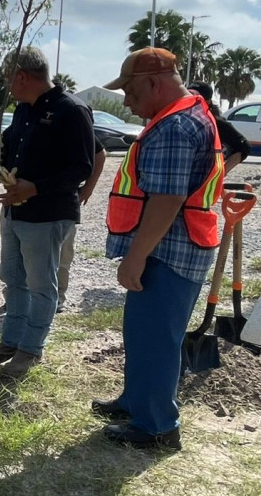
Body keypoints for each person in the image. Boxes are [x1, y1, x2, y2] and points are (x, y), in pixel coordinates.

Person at [93, 48, 224, 451]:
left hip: (168, 251)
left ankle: (157, 427)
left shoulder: (174, 127)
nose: (128, 103)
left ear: (154, 82)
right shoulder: (185, 116)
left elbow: (167, 200)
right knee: (142, 332)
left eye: (131, 92)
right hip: (173, 247)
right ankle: (137, 401)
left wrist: (135, 256)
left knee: (155, 339)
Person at [0, 47, 94, 377]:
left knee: (42, 284)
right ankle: (11, 341)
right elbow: (8, 153)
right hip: (15, 211)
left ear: (22, 76)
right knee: (13, 278)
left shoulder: (71, 110)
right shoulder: (22, 110)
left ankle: (30, 350)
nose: (7, 85)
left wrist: (35, 188)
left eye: (7, 78)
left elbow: (81, 166)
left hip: (49, 213)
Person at [56, 138, 107, 312]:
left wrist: (89, 188)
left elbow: (100, 154)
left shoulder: (72, 116)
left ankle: (57, 297)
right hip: (31, 199)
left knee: (63, 252)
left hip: (64, 200)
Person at [189, 82, 251, 172]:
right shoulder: (177, 120)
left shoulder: (216, 122)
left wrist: (223, 172)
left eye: (196, 98)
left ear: (207, 101)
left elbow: (244, 147)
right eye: (188, 96)